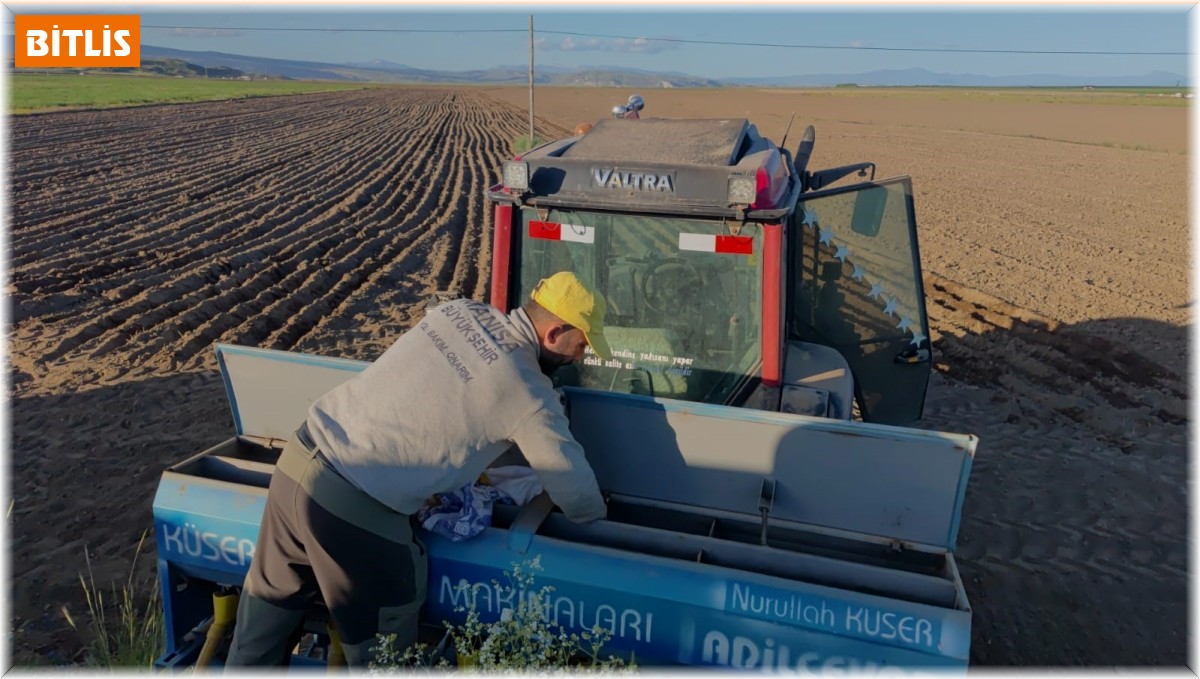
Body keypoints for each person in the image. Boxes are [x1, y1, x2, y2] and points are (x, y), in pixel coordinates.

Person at [225, 271, 612, 667]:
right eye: (581, 344)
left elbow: (442, 395)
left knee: (258, 638)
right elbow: (573, 488)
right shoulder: (527, 390)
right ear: (553, 333)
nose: (579, 357)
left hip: (297, 465)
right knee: (386, 653)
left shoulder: (459, 312)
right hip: (355, 506)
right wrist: (599, 518)